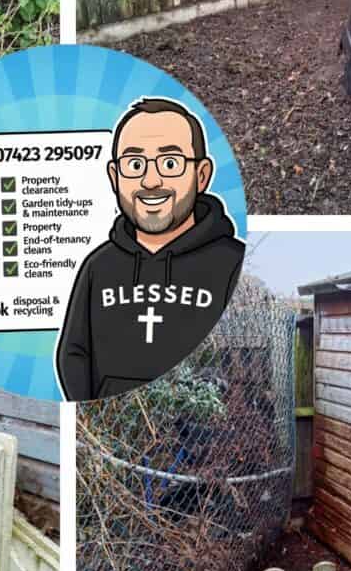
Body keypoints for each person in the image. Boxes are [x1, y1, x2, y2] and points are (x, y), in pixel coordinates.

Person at [56, 97, 245, 402]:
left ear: (202, 175)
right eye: (134, 164)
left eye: (170, 163)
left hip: (189, 420)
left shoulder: (229, 263)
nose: (151, 180)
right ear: (115, 177)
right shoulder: (99, 266)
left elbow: (221, 362)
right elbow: (74, 351)